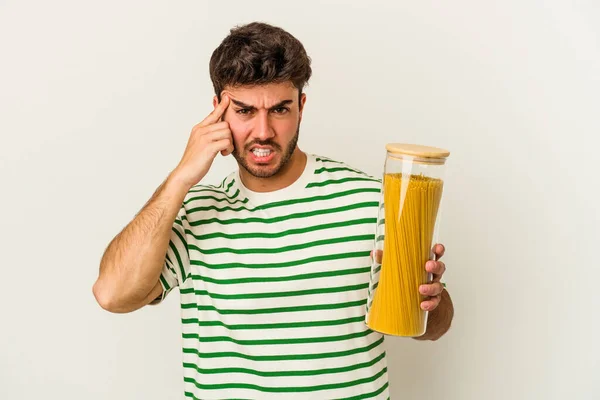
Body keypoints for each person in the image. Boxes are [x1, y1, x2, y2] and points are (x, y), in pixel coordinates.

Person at [93, 21, 454, 399]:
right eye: (245, 111)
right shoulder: (193, 214)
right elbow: (112, 295)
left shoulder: (371, 201)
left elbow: (431, 327)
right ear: (217, 111)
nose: (263, 131)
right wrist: (181, 178)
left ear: (301, 106)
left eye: (279, 109)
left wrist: (432, 299)